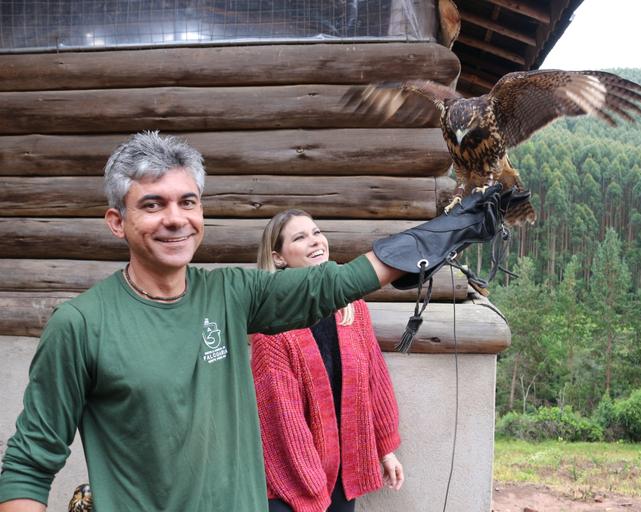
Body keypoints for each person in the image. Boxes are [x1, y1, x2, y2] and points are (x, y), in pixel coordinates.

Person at [0, 131, 525, 511]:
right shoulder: (80, 325)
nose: (176, 219)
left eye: (188, 201)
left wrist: (441, 234)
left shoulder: (230, 294)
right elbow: (29, 463)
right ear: (118, 222)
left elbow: (331, 285)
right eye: (153, 205)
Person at [251, 210, 403, 512]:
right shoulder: (271, 327)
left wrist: (385, 449)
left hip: (344, 474)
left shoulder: (353, 310)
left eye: (317, 232)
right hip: (292, 480)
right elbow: (283, 419)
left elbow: (376, 382)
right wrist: (313, 486)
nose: (315, 241)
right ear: (278, 258)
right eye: (299, 237)